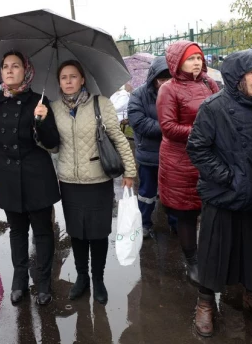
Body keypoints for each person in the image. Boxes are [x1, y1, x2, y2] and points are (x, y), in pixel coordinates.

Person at [186, 50, 252, 337]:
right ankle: (205, 304)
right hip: (224, 196)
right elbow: (197, 148)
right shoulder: (213, 107)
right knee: (215, 254)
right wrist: (228, 177)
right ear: (237, 76)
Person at [0, 51, 60, 305]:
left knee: (43, 232)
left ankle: (44, 281)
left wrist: (44, 120)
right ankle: (19, 279)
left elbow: (53, 143)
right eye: (5, 67)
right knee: (17, 230)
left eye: (16, 66)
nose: (10, 70)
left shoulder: (40, 101)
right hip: (8, 175)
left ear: (26, 71)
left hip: (37, 175)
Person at [51, 60, 136, 304]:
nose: (68, 81)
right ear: (59, 82)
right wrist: (39, 123)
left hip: (98, 179)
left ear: (82, 79)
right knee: (77, 233)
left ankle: (98, 279)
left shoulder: (101, 103)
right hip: (69, 180)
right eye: (64, 77)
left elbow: (118, 139)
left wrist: (129, 171)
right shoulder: (53, 108)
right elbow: (51, 145)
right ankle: (81, 277)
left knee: (98, 234)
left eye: (73, 76)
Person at [156, 40, 219, 285]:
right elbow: (168, 127)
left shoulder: (209, 83)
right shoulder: (168, 89)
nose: (197, 62)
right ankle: (191, 261)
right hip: (179, 161)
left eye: (199, 58)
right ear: (178, 62)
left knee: (209, 209)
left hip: (208, 159)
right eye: (191, 58)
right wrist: (201, 131)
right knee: (186, 213)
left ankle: (207, 255)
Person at [127, 56, 177, 238]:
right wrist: (170, 127)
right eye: (162, 79)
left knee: (172, 193)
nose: (165, 83)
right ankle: (145, 223)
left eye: (169, 79)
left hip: (173, 156)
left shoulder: (178, 93)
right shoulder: (138, 95)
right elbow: (139, 123)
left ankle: (175, 223)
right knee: (146, 193)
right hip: (149, 155)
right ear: (153, 78)